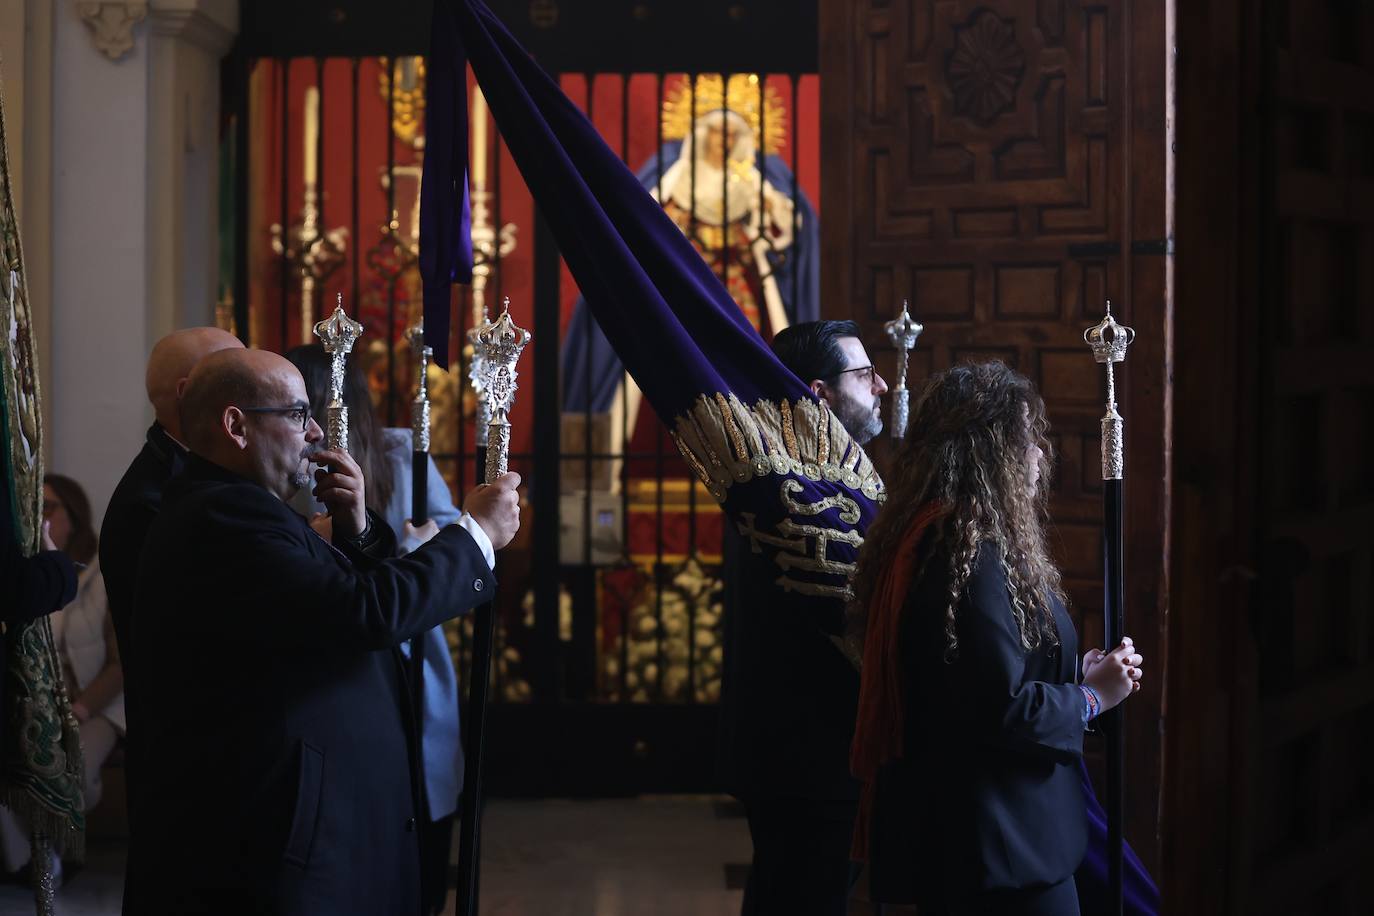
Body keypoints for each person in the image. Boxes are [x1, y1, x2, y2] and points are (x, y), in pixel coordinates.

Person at [127, 348, 520, 915]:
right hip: (273, 843)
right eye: (295, 414)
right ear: (236, 426)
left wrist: (357, 530)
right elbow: (365, 613)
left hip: (310, 830)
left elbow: (325, 598)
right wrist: (476, 533)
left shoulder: (245, 507)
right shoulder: (223, 520)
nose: (314, 432)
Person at [849, 361, 1144, 916]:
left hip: (997, 842)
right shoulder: (966, 553)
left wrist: (1077, 671)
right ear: (990, 451)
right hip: (999, 851)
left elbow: (980, 675)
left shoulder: (959, 538)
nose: (1039, 455)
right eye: (1028, 439)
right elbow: (997, 708)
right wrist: (1093, 696)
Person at [285, 343, 466, 916]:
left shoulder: (399, 451)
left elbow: (449, 543)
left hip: (407, 647)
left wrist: (410, 547)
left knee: (421, 808)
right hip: (330, 650)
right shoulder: (289, 460)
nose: (311, 422)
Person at [719, 319, 888, 915]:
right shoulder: (790, 489)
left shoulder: (822, 477)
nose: (883, 385)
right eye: (865, 374)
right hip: (808, 761)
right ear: (819, 393)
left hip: (808, 757)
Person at [0, 474, 124, 878]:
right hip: (41, 703)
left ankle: (55, 846)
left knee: (73, 766)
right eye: (35, 507)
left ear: (74, 516)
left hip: (97, 703)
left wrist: (82, 708)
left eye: (49, 506)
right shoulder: (31, 576)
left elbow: (121, 663)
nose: (40, 515)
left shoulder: (106, 572)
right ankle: (31, 859)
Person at [100, 326, 244, 665]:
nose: (255, 388)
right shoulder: (152, 501)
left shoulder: (205, 471)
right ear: (189, 391)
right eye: (239, 375)